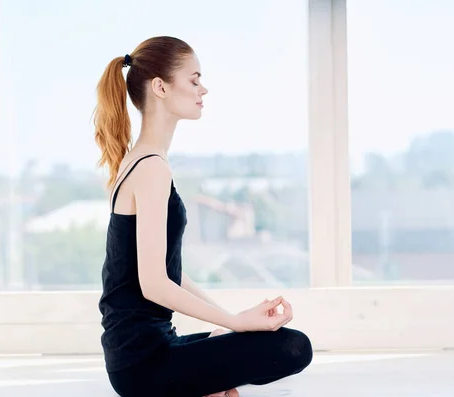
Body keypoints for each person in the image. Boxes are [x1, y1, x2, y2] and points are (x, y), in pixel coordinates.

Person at [95, 36, 313, 397]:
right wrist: (233, 323)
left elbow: (170, 272)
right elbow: (154, 285)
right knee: (293, 348)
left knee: (262, 341)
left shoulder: (143, 162)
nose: (204, 89)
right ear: (161, 87)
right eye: (194, 80)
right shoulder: (151, 168)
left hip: (145, 353)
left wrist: (231, 324)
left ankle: (202, 386)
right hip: (142, 365)